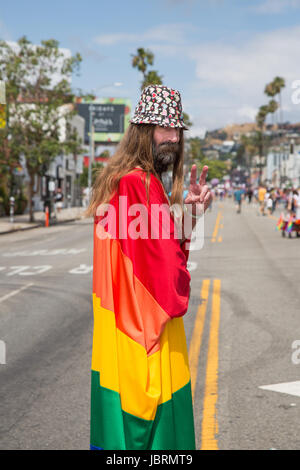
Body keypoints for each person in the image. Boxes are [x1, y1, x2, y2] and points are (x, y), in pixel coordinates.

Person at [85, 84, 212, 451]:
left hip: (116, 337)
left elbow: (151, 252)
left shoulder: (120, 180)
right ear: (143, 131)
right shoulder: (140, 184)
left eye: (176, 129)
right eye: (163, 128)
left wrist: (189, 215)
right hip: (143, 339)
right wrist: (188, 221)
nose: (172, 138)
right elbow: (166, 281)